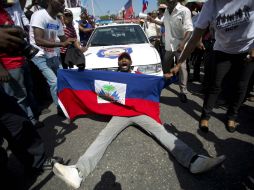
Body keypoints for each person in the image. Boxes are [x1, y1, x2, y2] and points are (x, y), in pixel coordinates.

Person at [52, 52, 226, 189]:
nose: (124, 61)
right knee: (103, 137)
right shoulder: (109, 78)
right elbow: (91, 86)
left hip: (140, 112)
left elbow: (158, 83)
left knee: (162, 132)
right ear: (118, 64)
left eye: (126, 59)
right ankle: (78, 172)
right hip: (119, 114)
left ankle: (193, 161)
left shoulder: (140, 76)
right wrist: (74, 72)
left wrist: (172, 75)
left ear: (131, 63)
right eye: (121, 60)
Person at [166, 0, 254, 133]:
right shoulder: (211, 5)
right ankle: (205, 116)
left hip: (247, 50)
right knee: (215, 85)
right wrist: (179, 64)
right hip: (222, 50)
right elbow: (195, 37)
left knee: (241, 87)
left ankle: (232, 116)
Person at [0, 26, 63, 182]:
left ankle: (37, 162)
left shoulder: (6, 9)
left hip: (17, 68)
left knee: (19, 123)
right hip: (9, 67)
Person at [0, 1, 43, 127]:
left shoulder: (4, 10)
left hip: (20, 59)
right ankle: (26, 127)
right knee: (19, 98)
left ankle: (32, 120)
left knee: (28, 91)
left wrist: (19, 31)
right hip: (8, 64)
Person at [29, 0, 76, 114]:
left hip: (54, 55)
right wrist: (61, 44)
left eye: (63, 2)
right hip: (40, 55)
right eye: (60, 1)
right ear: (50, 1)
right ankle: (61, 108)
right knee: (54, 82)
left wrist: (76, 47)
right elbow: (38, 40)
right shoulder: (39, 15)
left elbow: (64, 38)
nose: (63, 4)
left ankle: (65, 103)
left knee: (62, 79)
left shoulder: (58, 21)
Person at [147, 0, 193, 103]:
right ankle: (164, 84)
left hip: (179, 45)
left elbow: (189, 30)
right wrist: (154, 21)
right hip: (168, 46)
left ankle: (183, 91)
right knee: (165, 65)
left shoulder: (184, 11)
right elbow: (165, 23)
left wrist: (183, 42)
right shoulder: (167, 12)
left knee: (182, 67)